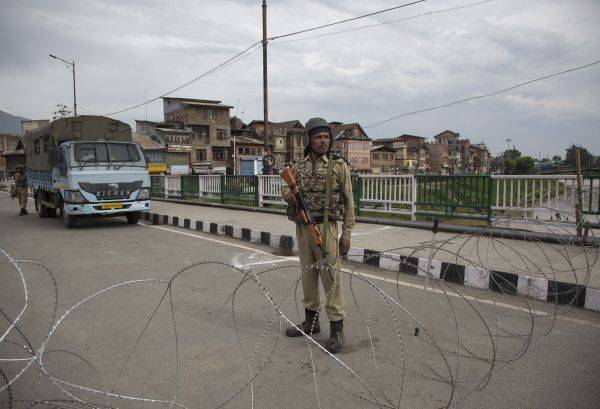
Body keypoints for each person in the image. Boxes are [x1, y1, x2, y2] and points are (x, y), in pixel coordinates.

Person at [282, 117, 355, 354]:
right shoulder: (298, 166)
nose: (324, 141)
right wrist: (289, 195)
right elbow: (284, 187)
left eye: (326, 137)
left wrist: (347, 234)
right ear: (308, 140)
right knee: (308, 276)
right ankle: (310, 322)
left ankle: (336, 329)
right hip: (303, 228)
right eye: (318, 137)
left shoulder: (338, 166)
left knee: (331, 280)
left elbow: (349, 203)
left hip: (327, 228)